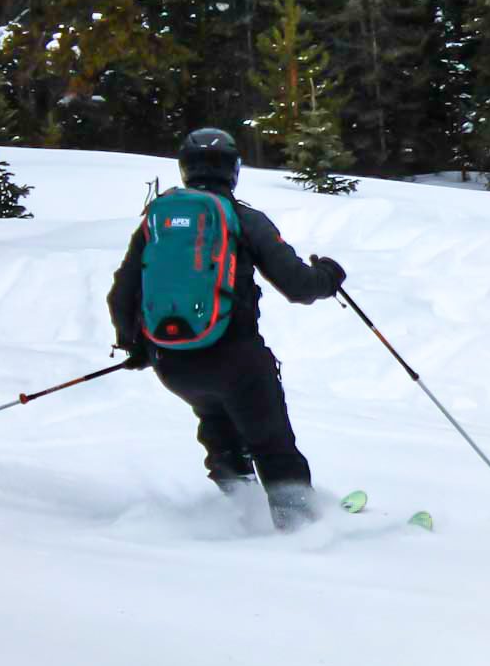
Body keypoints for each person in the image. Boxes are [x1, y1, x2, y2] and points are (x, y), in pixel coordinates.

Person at [107, 128, 347, 530]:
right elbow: (299, 287)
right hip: (236, 360)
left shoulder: (158, 221)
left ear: (185, 170)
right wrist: (329, 275)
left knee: (218, 426)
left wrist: (135, 345)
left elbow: (122, 293)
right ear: (233, 171)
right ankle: (303, 532)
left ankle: (238, 516)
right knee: (271, 445)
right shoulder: (244, 219)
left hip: (174, 364)